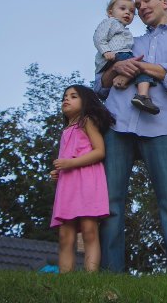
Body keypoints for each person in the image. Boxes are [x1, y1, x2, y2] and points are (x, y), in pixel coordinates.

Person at [95, 0, 167, 273]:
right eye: (136, 4)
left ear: (164, 2)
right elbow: (100, 85)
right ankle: (110, 273)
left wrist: (140, 68)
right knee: (111, 202)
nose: (141, 7)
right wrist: (118, 69)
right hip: (118, 123)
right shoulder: (127, 40)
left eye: (147, 0)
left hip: (163, 125)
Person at [50, 85, 115, 272]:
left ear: (85, 101)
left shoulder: (87, 121)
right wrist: (59, 171)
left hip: (88, 180)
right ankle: (65, 280)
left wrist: (70, 164)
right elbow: (67, 157)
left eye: (73, 96)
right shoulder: (65, 130)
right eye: (64, 96)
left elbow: (99, 151)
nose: (66, 99)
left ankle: (90, 278)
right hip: (68, 185)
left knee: (89, 230)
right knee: (65, 236)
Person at [93, 0, 159, 115]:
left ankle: (130, 83)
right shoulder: (110, 22)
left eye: (132, 12)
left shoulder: (123, 29)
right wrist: (105, 51)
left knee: (140, 66)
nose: (127, 13)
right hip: (116, 54)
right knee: (143, 67)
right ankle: (143, 95)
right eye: (122, 9)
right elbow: (98, 37)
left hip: (120, 55)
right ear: (110, 12)